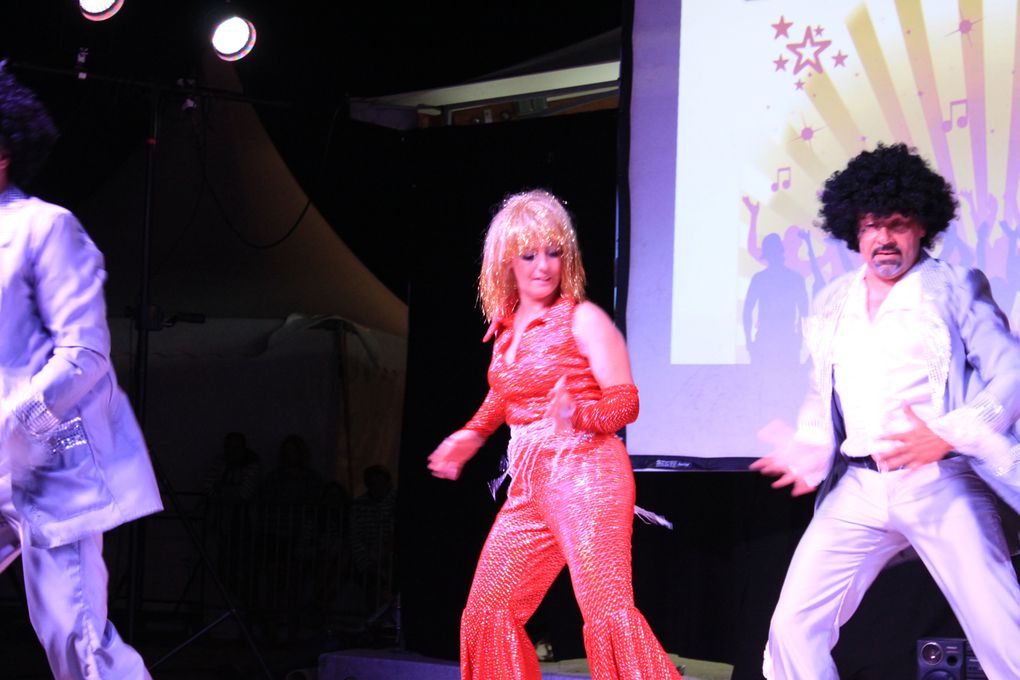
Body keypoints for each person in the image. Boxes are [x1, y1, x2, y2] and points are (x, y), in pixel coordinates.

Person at [752, 143, 1020, 679]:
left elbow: (1012, 372)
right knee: (792, 629)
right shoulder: (832, 300)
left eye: (898, 225)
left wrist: (948, 434)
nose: (884, 239)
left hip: (939, 481)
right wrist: (808, 444)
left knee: (1004, 634)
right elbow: (820, 392)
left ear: (922, 227)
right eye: (873, 225)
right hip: (860, 488)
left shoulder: (955, 287)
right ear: (855, 229)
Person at [428, 189, 681, 680]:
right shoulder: (505, 331)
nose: (544, 265)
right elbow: (506, 394)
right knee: (488, 611)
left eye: (554, 252)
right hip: (529, 484)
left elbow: (626, 401)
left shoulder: (582, 318)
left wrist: (580, 413)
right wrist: (472, 434)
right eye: (529, 254)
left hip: (587, 473)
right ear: (506, 262)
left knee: (608, 612)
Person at [0, 67, 163, 677]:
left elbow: (85, 354)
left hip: (53, 457)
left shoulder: (45, 226)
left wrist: (16, 425)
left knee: (76, 637)